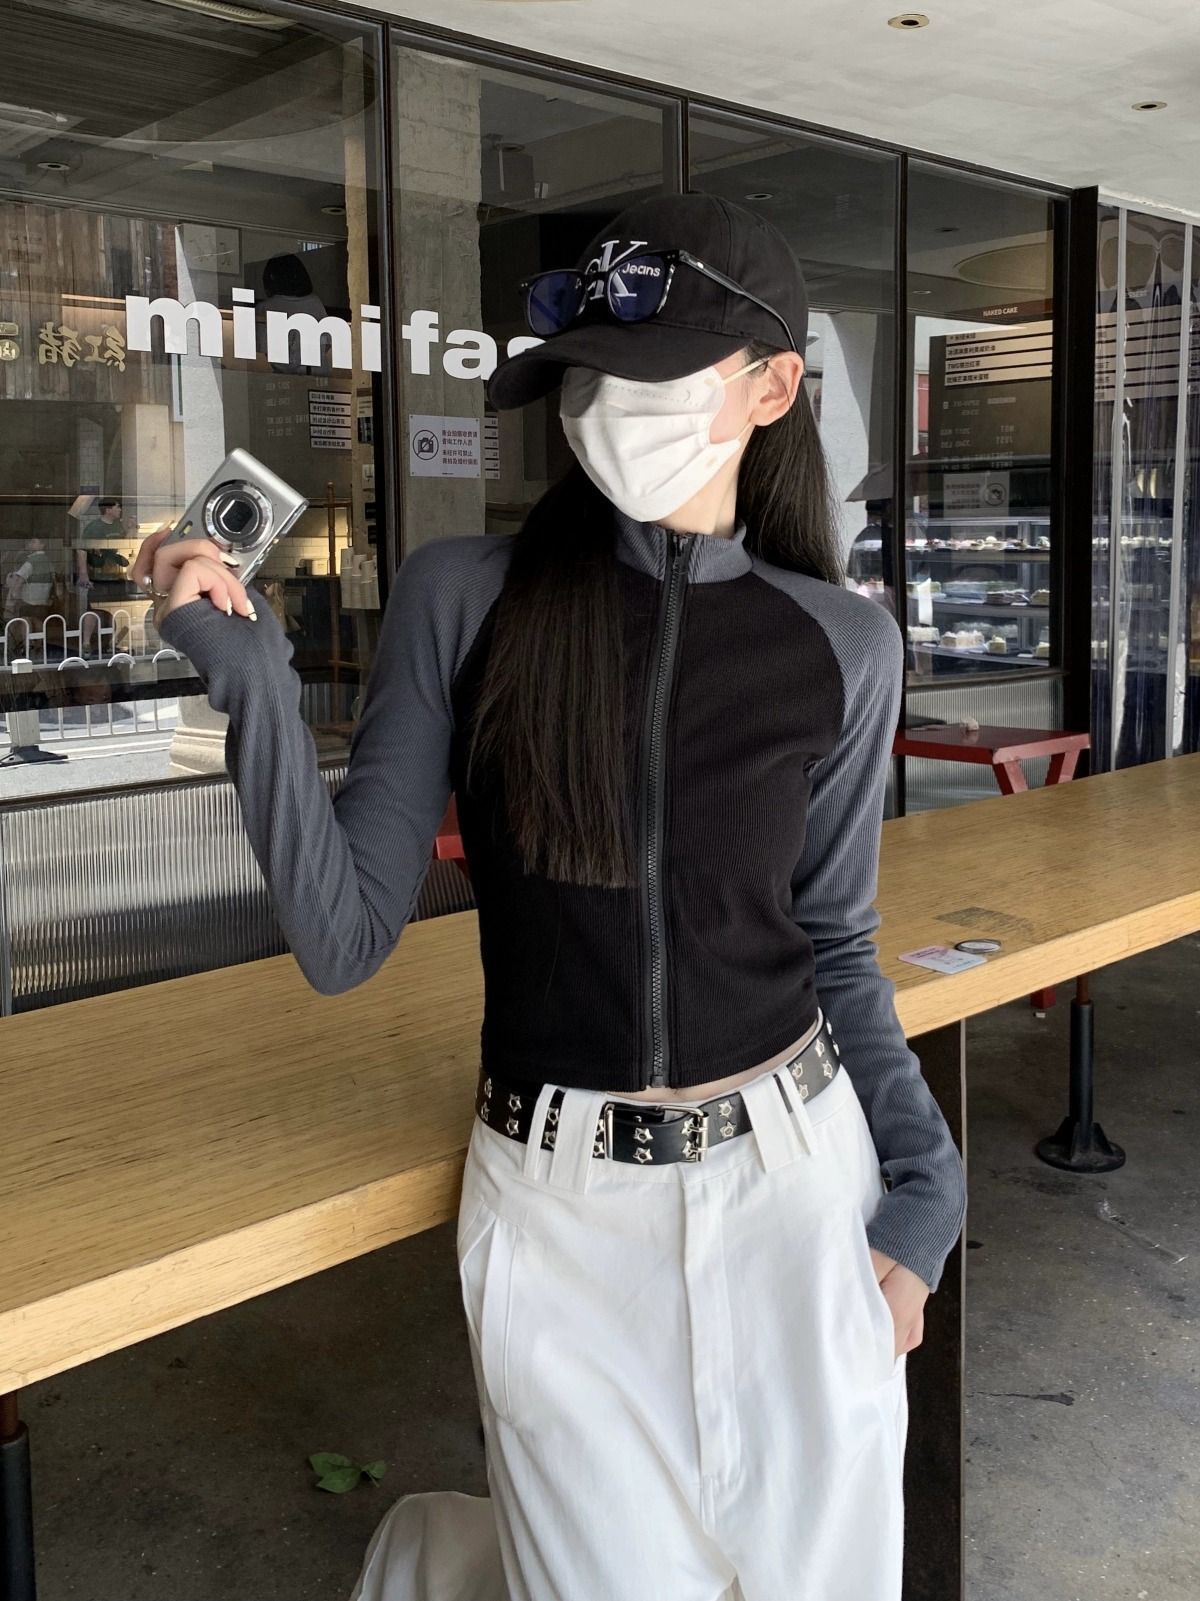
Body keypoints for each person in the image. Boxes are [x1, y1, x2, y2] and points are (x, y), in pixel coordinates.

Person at [131, 192, 967, 1601]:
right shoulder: (465, 597)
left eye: (657, 371)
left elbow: (835, 942)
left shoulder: (842, 645)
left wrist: (927, 1195)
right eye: (588, 375)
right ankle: (431, 1559)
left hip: (797, 1195)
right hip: (560, 1216)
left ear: (772, 389)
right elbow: (342, 938)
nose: (610, 408)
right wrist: (253, 681)